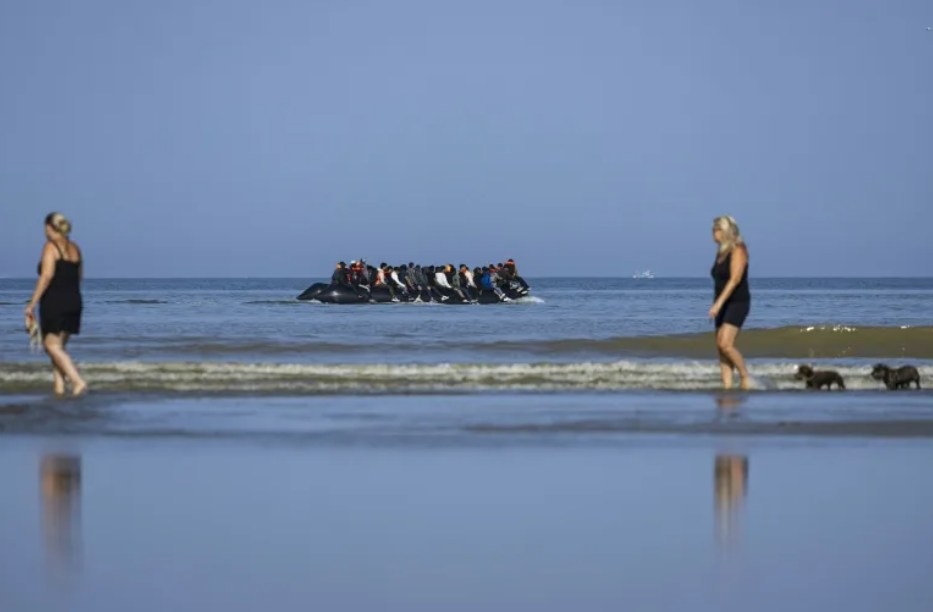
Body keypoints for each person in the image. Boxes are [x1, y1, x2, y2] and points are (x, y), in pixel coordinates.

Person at [25, 213, 87, 396]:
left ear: (50, 228)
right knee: (59, 348)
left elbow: (46, 276)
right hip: (74, 301)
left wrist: (31, 304)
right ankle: (59, 388)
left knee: (51, 346)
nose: (45, 232)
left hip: (55, 302)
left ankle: (77, 381)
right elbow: (79, 277)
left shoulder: (50, 247)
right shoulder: (76, 248)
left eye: (45, 228)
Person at [709, 215, 751, 389]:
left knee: (725, 344)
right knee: (721, 348)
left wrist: (718, 304)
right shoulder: (721, 252)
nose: (712, 233)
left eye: (715, 229)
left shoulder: (738, 250)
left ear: (724, 231)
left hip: (737, 302)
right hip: (722, 302)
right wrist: (718, 303)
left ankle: (745, 376)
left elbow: (734, 280)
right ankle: (727, 387)